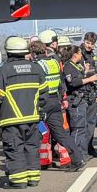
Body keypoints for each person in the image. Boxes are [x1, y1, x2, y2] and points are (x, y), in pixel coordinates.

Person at [0, 36, 46, 188]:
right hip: (33, 117)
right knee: (32, 147)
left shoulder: (2, 71)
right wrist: (37, 109)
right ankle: (33, 178)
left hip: (11, 119)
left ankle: (18, 181)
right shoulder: (37, 68)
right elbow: (44, 93)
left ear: (8, 52)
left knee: (15, 148)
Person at [34, 36, 79, 170]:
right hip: (55, 100)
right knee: (61, 133)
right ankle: (76, 159)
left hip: (42, 102)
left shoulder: (37, 66)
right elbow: (61, 82)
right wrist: (62, 99)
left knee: (40, 133)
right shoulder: (54, 62)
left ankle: (41, 162)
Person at [61, 43, 97, 163]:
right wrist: (89, 79)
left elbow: (79, 77)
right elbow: (73, 82)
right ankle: (76, 156)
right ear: (75, 55)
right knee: (78, 128)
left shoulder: (77, 66)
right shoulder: (68, 66)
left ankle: (83, 153)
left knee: (83, 127)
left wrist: (85, 72)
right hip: (75, 100)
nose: (81, 55)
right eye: (79, 53)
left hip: (83, 99)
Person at [80, 31, 97, 155]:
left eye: (92, 43)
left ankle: (89, 148)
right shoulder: (79, 54)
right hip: (82, 93)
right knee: (82, 124)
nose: (89, 45)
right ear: (84, 41)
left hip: (92, 92)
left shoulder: (91, 55)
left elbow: (94, 73)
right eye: (88, 43)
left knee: (91, 123)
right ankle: (83, 151)